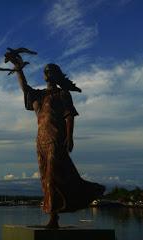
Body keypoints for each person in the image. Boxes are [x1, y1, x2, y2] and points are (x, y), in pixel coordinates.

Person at [11, 59, 105, 228]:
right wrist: (19, 71)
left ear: (56, 75)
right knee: (46, 178)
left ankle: (54, 218)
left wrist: (70, 136)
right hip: (41, 139)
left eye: (50, 71)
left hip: (56, 137)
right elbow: (25, 89)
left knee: (53, 176)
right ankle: (55, 214)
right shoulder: (39, 95)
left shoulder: (63, 94)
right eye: (45, 71)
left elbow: (69, 116)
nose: (47, 73)